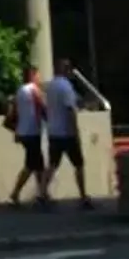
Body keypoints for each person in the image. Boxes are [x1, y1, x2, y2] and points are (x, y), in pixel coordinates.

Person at [42, 58, 94, 208]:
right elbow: (70, 110)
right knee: (79, 164)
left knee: (52, 164)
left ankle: (42, 193)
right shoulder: (66, 87)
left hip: (54, 132)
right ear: (67, 71)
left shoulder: (51, 86)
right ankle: (83, 196)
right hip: (67, 133)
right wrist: (75, 131)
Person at [7, 66, 52, 206]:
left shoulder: (20, 91)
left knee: (37, 164)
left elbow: (14, 112)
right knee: (32, 165)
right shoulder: (34, 90)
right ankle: (15, 193)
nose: (39, 78)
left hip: (23, 132)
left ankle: (43, 194)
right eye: (38, 75)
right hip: (32, 132)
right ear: (33, 76)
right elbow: (43, 108)